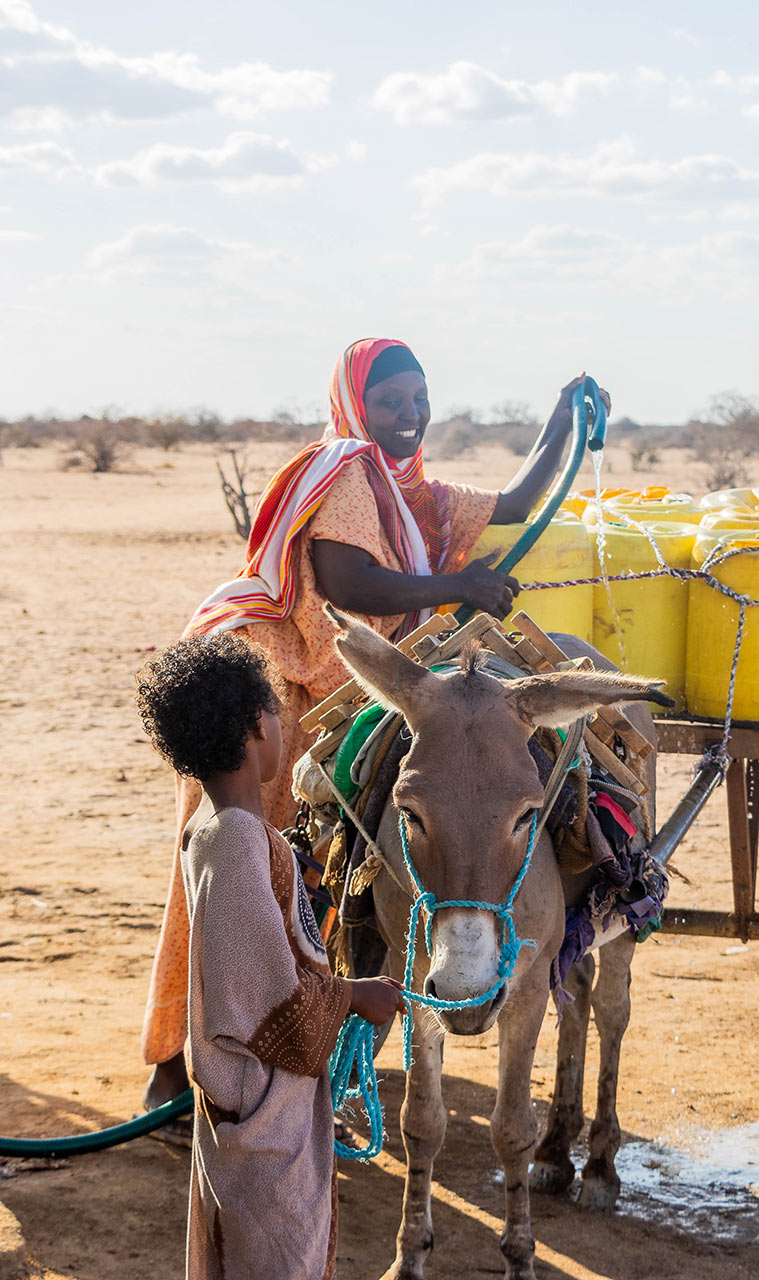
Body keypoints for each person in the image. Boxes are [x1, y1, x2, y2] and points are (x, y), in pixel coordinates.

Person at [140, 336, 601, 1112]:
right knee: (246, 869)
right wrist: (461, 582)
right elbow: (348, 580)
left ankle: (293, 1047)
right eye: (391, 400)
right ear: (355, 404)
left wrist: (560, 420)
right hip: (289, 679)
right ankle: (176, 1069)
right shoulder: (350, 468)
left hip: (349, 680)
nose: (410, 415)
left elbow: (517, 506)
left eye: (420, 398)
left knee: (306, 878)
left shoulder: (407, 490)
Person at [135, 634, 405, 1279]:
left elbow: (255, 945)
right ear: (258, 727)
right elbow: (263, 1000)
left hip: (250, 1107)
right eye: (280, 713)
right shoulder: (233, 841)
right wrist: (355, 996)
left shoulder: (225, 831)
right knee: (274, 1259)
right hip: (262, 1112)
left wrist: (291, 885)